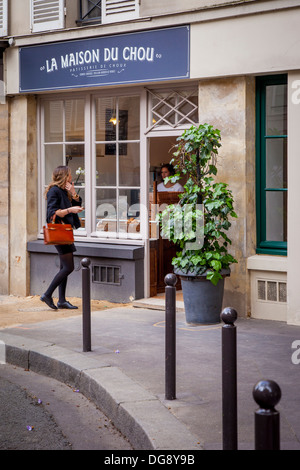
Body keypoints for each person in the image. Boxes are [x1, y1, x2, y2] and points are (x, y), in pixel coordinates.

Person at [40, 166, 83, 310]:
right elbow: (52, 212)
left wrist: (73, 193)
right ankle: (47, 294)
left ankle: (62, 300)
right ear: (64, 176)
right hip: (59, 232)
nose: (71, 177)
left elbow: (77, 204)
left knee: (65, 267)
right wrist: (70, 210)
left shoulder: (64, 191)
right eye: (70, 174)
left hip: (66, 232)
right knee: (69, 267)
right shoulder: (54, 191)